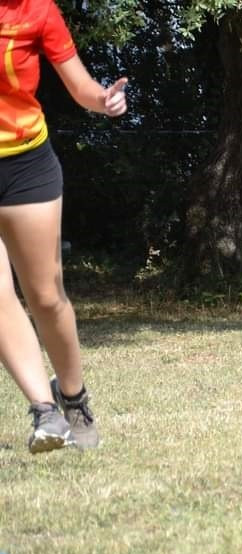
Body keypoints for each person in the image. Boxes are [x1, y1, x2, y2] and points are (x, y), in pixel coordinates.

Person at [0, 0, 127, 453]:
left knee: (47, 297)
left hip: (25, 162)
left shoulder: (38, 10)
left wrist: (104, 101)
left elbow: (80, 86)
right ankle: (44, 413)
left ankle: (72, 398)